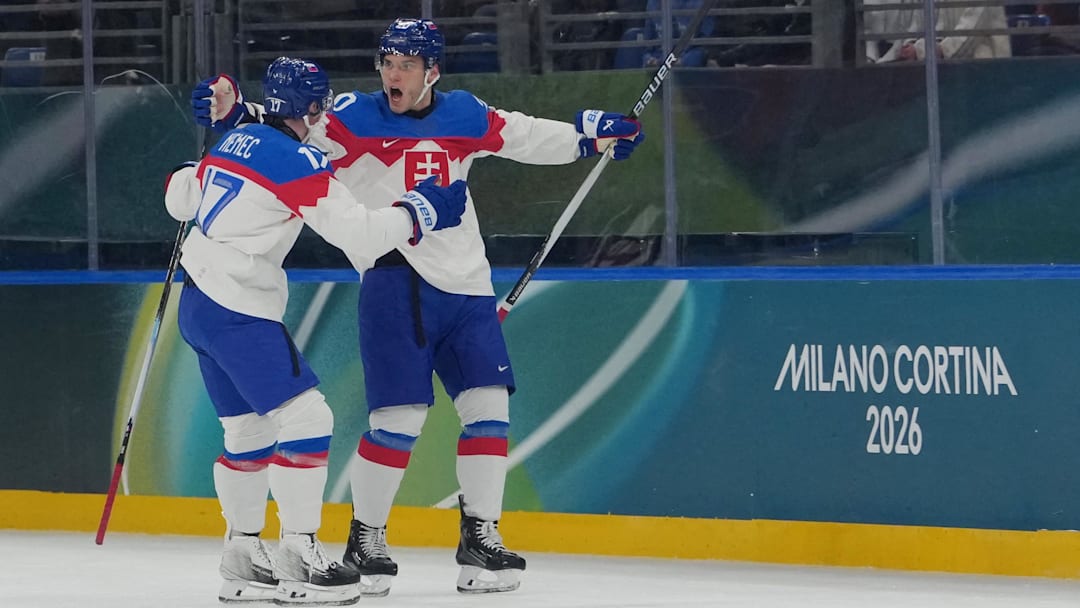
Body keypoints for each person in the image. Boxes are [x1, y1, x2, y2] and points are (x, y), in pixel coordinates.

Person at [191, 17, 646, 596]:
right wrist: (237, 112)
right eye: (387, 61)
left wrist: (591, 135)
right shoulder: (351, 116)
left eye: (406, 64)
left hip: (466, 285)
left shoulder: (463, 113)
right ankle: (368, 538)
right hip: (394, 281)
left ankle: (481, 536)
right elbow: (291, 130)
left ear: (433, 70)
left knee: (489, 410)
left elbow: (523, 134)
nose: (392, 74)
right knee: (399, 420)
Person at [168, 56, 467, 604]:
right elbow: (364, 233)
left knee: (248, 433)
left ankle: (241, 556)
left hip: (195, 303)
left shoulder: (233, 139)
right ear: (312, 105)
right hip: (238, 307)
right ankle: (298, 557)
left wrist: (214, 137)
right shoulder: (299, 162)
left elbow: (178, 197)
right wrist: (422, 208)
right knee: (309, 417)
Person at [863, 0, 1011, 63]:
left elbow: (973, 26)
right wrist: (911, 46)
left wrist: (939, 49)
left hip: (988, 69)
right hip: (949, 71)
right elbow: (918, 22)